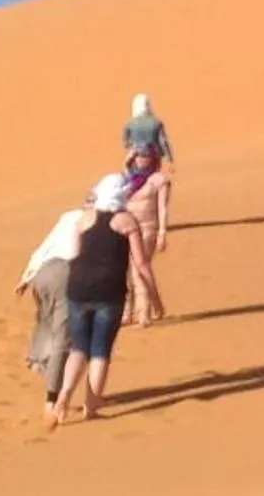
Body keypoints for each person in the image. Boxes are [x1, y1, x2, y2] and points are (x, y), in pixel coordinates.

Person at [50, 177, 153, 428]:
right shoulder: (126, 221)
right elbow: (140, 263)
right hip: (109, 292)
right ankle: (91, 405)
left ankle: (63, 396)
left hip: (78, 289)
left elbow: (73, 254)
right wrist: (152, 296)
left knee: (79, 348)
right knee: (100, 350)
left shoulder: (84, 218)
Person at [15, 204, 83, 406]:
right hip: (64, 275)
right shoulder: (89, 221)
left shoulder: (67, 219)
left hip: (41, 276)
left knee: (45, 319)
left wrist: (25, 278)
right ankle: (53, 395)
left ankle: (37, 358)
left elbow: (41, 250)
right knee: (63, 335)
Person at [121, 94, 175, 247]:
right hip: (153, 160)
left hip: (134, 162)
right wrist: (169, 159)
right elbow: (163, 143)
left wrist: (136, 146)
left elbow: (125, 142)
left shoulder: (130, 124)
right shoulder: (156, 123)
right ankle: (152, 222)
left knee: (134, 189)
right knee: (153, 190)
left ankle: (135, 220)